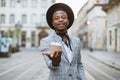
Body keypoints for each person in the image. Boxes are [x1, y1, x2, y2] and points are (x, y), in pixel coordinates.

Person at [40, 3, 86, 80]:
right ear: (53, 23)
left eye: (63, 17)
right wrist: (55, 62)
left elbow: (79, 64)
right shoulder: (45, 41)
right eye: (56, 18)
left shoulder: (76, 41)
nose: (60, 19)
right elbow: (50, 65)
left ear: (68, 21)